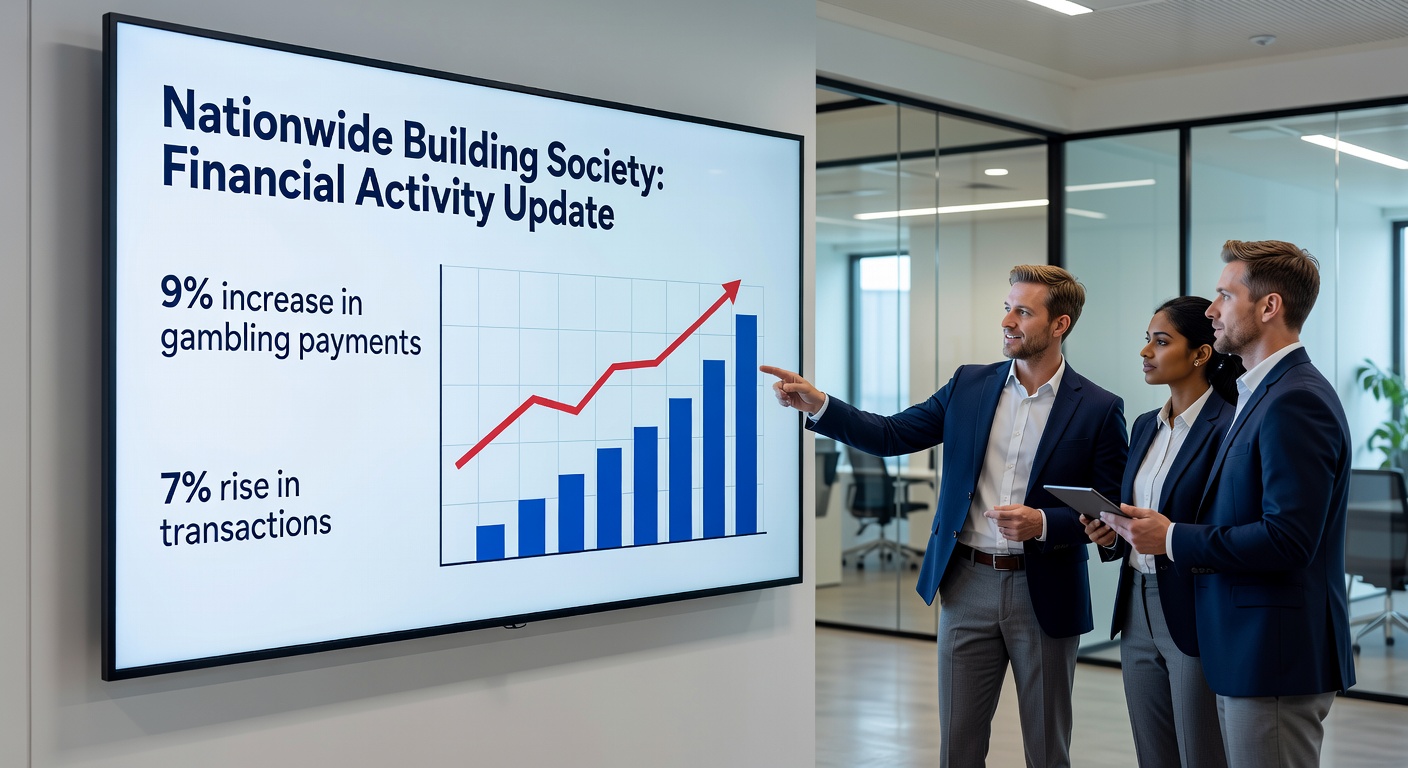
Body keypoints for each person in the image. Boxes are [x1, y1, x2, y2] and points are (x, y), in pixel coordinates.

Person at [763, 264, 1128, 768]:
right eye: (1007, 308)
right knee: (958, 746)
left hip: (1045, 589)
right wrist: (821, 404)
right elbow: (891, 434)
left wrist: (1042, 524)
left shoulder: (1099, 408)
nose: (1008, 321)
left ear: (1060, 324)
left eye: (1023, 312)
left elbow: (1109, 510)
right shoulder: (969, 385)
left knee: (1047, 748)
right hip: (966, 583)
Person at [1102, 240, 1356, 768]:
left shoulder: (1295, 399)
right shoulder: (1257, 394)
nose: (1212, 310)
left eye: (1225, 295)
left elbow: (1288, 539)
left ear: (1269, 307)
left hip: (1273, 652)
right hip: (1244, 646)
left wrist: (1172, 537)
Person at [1082, 296, 1242, 768]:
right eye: (1146, 340)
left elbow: (1227, 524)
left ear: (1200, 354)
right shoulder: (1144, 426)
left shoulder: (1229, 426)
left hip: (1194, 604)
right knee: (1152, 754)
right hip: (1136, 605)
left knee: (1200, 753)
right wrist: (1111, 533)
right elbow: (1141, 516)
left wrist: (1170, 536)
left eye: (1161, 341)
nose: (1145, 351)